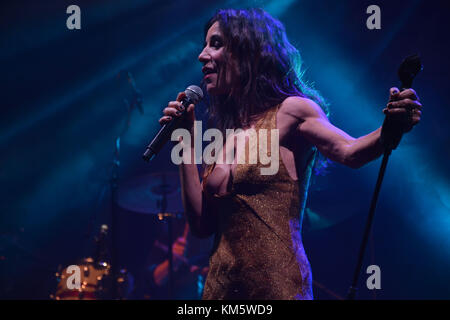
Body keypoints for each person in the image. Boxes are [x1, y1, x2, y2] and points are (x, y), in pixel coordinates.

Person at [159, 8, 422, 300]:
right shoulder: (225, 135)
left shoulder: (292, 111)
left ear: (248, 50)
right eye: (205, 44)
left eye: (216, 44)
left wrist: (390, 129)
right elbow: (201, 225)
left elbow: (350, 152)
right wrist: (185, 144)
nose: (202, 55)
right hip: (220, 294)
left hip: (277, 289)